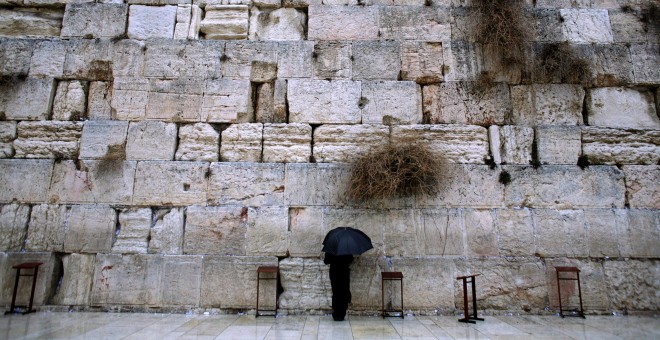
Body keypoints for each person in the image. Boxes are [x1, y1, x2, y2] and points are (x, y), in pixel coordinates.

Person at [324, 252, 353, 321]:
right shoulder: (346, 248)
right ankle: (342, 313)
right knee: (344, 291)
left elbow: (326, 261)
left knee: (336, 292)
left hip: (334, 272)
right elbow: (350, 259)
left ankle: (336, 313)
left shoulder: (331, 249)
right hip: (344, 272)